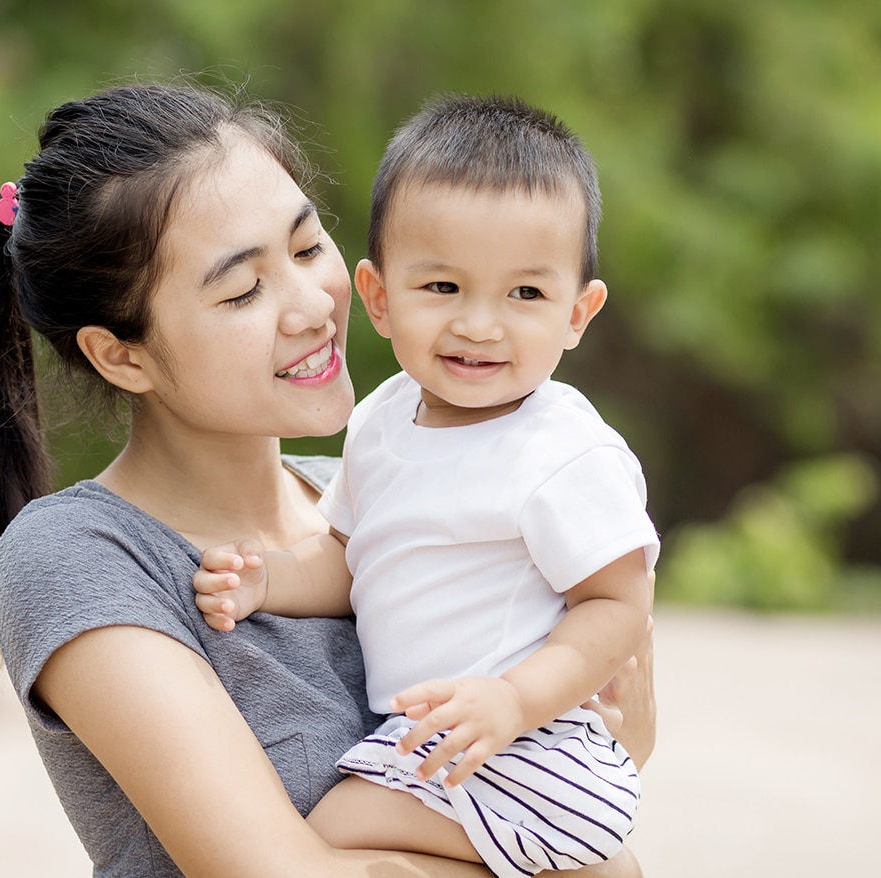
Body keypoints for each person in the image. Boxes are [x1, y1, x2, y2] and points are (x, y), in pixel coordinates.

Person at [0, 82, 655, 878]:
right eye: (243, 289)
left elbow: (619, 737)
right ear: (122, 354)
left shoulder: (391, 487)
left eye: (306, 246)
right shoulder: (84, 557)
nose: (310, 306)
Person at [194, 94, 659, 877]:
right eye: (442, 289)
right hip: (455, 750)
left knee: (324, 835)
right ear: (377, 297)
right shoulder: (379, 422)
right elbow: (350, 560)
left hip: (535, 753)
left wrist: (514, 699)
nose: (480, 325)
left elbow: (620, 602)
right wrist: (265, 580)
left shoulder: (562, 447)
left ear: (579, 312)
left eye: (526, 295)